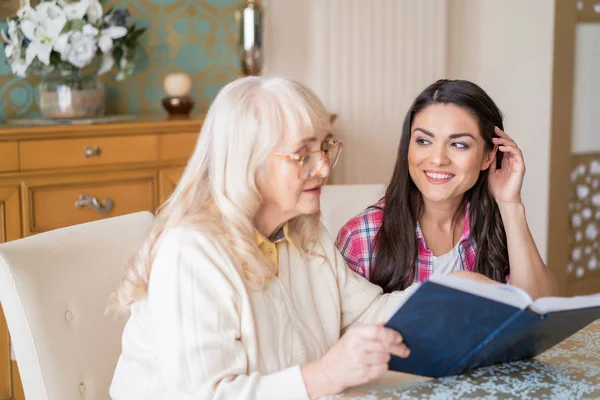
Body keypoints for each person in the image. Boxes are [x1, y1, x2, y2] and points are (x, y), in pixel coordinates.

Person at [109, 77, 415, 400]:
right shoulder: (190, 252)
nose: (324, 168)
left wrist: (452, 293)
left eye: (325, 147)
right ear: (249, 163)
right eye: (303, 155)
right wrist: (325, 375)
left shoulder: (303, 232)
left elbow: (368, 314)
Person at [336, 79, 557, 300]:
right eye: (423, 141)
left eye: (458, 144)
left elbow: (538, 308)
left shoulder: (497, 225)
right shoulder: (362, 237)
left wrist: (510, 203)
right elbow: (342, 330)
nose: (438, 159)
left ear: (488, 156)